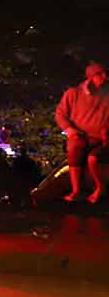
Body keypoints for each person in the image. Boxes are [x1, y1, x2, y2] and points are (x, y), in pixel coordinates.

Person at [55, 61, 109, 203]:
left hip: (100, 138)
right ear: (91, 77)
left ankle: (99, 188)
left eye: (105, 73)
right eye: (100, 74)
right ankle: (76, 190)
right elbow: (60, 113)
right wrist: (70, 131)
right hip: (80, 135)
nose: (104, 76)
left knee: (93, 158)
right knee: (74, 147)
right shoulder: (74, 93)